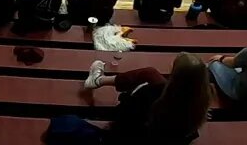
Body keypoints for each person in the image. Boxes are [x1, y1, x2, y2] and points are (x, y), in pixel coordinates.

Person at [70, 52, 211, 145]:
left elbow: (123, 115)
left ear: (175, 77)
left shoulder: (151, 94)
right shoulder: (202, 101)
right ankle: (98, 80)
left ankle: (98, 80)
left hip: (138, 135)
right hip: (167, 135)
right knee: (150, 73)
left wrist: (132, 94)